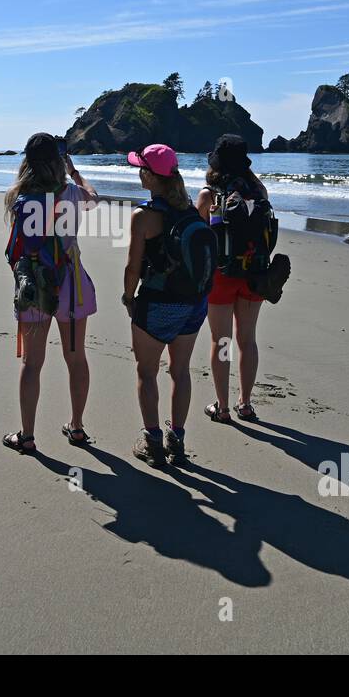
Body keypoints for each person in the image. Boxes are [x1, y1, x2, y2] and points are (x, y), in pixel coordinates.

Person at [1, 133, 98, 454]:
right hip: (72, 285)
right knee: (76, 358)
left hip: (34, 285)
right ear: (60, 162)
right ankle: (78, 427)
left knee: (32, 364)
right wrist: (75, 172)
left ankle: (27, 436)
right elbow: (94, 199)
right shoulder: (71, 192)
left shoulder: (19, 198)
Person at [122, 144, 216, 467]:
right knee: (180, 371)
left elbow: (133, 268)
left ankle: (153, 443)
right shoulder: (191, 209)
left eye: (140, 168)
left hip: (158, 305)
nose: (138, 172)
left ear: (149, 176)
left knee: (147, 373)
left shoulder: (143, 217)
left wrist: (128, 297)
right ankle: (177, 439)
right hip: (193, 305)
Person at [196, 134, 287, 423]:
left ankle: (222, 408)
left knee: (220, 341)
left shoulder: (209, 195)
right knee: (247, 340)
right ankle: (245, 404)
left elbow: (197, 237)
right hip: (255, 274)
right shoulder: (259, 191)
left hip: (221, 276)